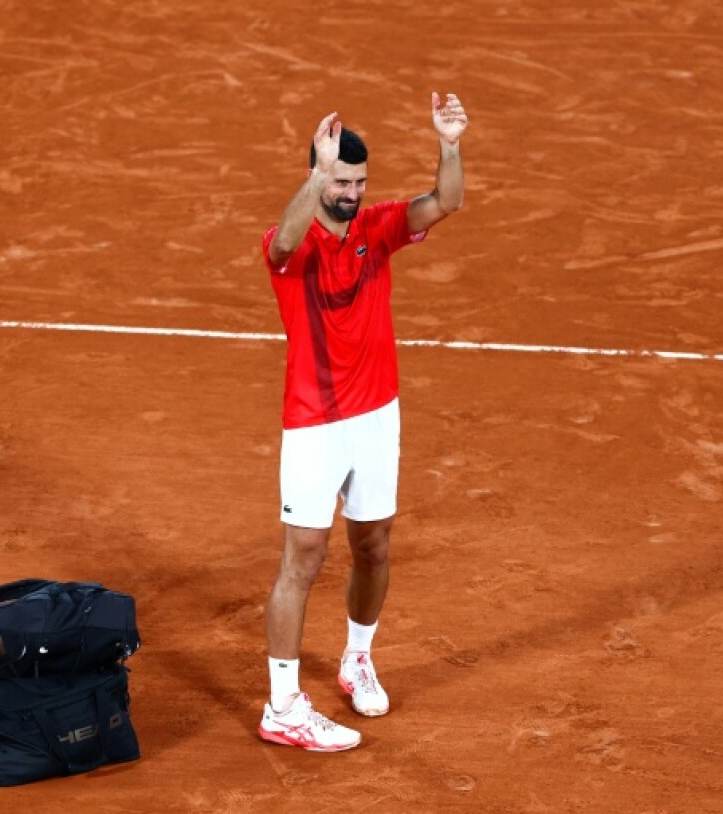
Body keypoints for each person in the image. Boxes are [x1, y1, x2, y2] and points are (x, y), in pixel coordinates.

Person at [256, 93, 469, 751]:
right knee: (304, 555)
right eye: (339, 182)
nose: (350, 193)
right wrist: (315, 175)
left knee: (373, 543)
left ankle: (356, 657)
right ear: (320, 177)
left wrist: (450, 143)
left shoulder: (378, 227)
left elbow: (446, 202)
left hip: (378, 415)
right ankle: (283, 707)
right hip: (315, 422)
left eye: (356, 182)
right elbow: (286, 238)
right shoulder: (288, 243)